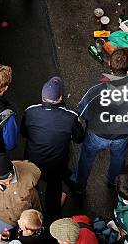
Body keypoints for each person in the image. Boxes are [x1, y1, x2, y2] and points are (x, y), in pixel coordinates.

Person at [69, 48, 128, 192]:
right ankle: (114, 182)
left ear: (110, 66)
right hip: (122, 136)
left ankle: (80, 185)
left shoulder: (96, 89)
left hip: (96, 134)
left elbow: (83, 111)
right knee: (118, 161)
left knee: (86, 159)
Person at [21, 76, 84, 221]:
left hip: (32, 161)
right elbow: (79, 138)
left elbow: (24, 132)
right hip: (57, 163)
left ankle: (32, 212)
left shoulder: (30, 111)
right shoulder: (70, 117)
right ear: (61, 97)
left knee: (32, 185)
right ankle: (52, 212)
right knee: (54, 187)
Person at [0, 153, 42, 238]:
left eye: (10, 179)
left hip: (26, 217)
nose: (8, 184)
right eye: (3, 182)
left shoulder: (31, 173)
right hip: (1, 217)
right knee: (3, 239)